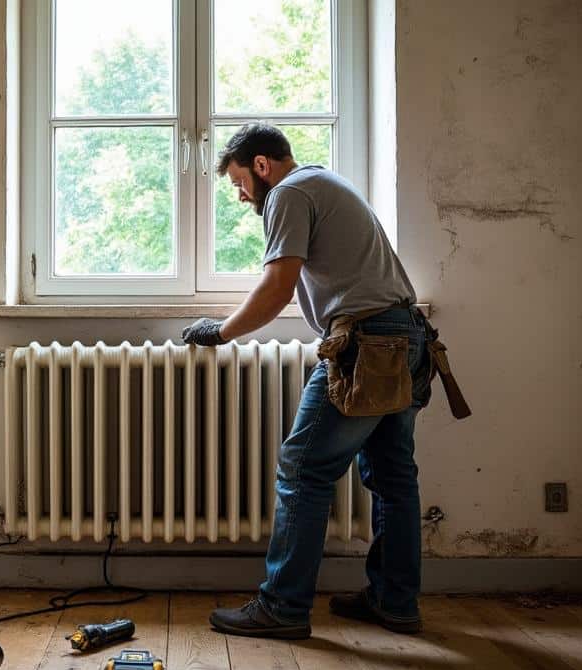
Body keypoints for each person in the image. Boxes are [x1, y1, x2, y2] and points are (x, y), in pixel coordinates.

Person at [181, 122, 466, 639]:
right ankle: (395, 601)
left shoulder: (287, 194)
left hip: (369, 344)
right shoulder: (324, 182)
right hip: (406, 338)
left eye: (241, 182)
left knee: (303, 468)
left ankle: (283, 608)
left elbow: (277, 288)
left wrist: (220, 332)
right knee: (393, 475)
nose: (243, 195)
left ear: (262, 166)